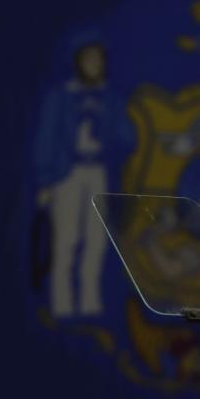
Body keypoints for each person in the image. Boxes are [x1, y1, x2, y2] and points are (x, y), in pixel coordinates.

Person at [33, 26, 132, 317]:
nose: (94, 65)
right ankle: (62, 304)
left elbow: (128, 137)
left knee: (97, 240)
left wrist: (105, 117)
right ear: (77, 62)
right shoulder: (61, 98)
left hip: (97, 172)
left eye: (99, 59)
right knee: (66, 240)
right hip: (67, 174)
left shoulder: (111, 99)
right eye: (88, 59)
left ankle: (90, 303)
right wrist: (46, 179)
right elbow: (46, 139)